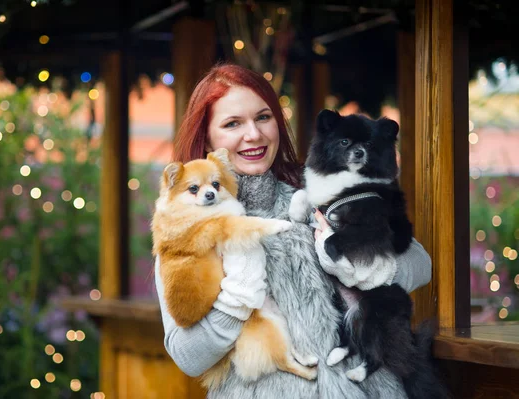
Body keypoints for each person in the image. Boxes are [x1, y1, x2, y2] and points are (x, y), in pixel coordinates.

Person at [154, 63, 431, 398]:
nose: (253, 134)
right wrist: (236, 301)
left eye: (263, 117)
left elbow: (420, 263)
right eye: (232, 124)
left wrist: (363, 266)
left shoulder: (318, 190)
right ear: (207, 136)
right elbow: (187, 356)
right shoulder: (185, 225)